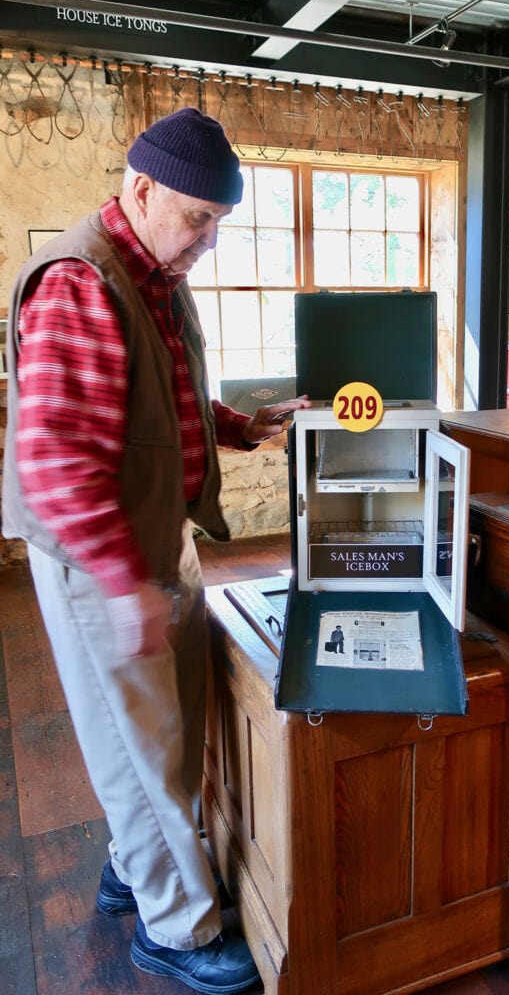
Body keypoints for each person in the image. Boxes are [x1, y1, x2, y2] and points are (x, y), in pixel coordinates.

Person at [2, 107, 311, 995]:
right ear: (139, 189)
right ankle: (173, 929)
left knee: (158, 733)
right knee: (139, 744)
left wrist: (237, 428)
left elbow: (160, 401)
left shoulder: (154, 270)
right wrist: (121, 579)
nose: (208, 241)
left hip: (151, 536)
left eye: (219, 222)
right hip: (101, 554)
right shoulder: (79, 283)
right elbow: (56, 452)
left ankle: (132, 869)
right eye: (199, 218)